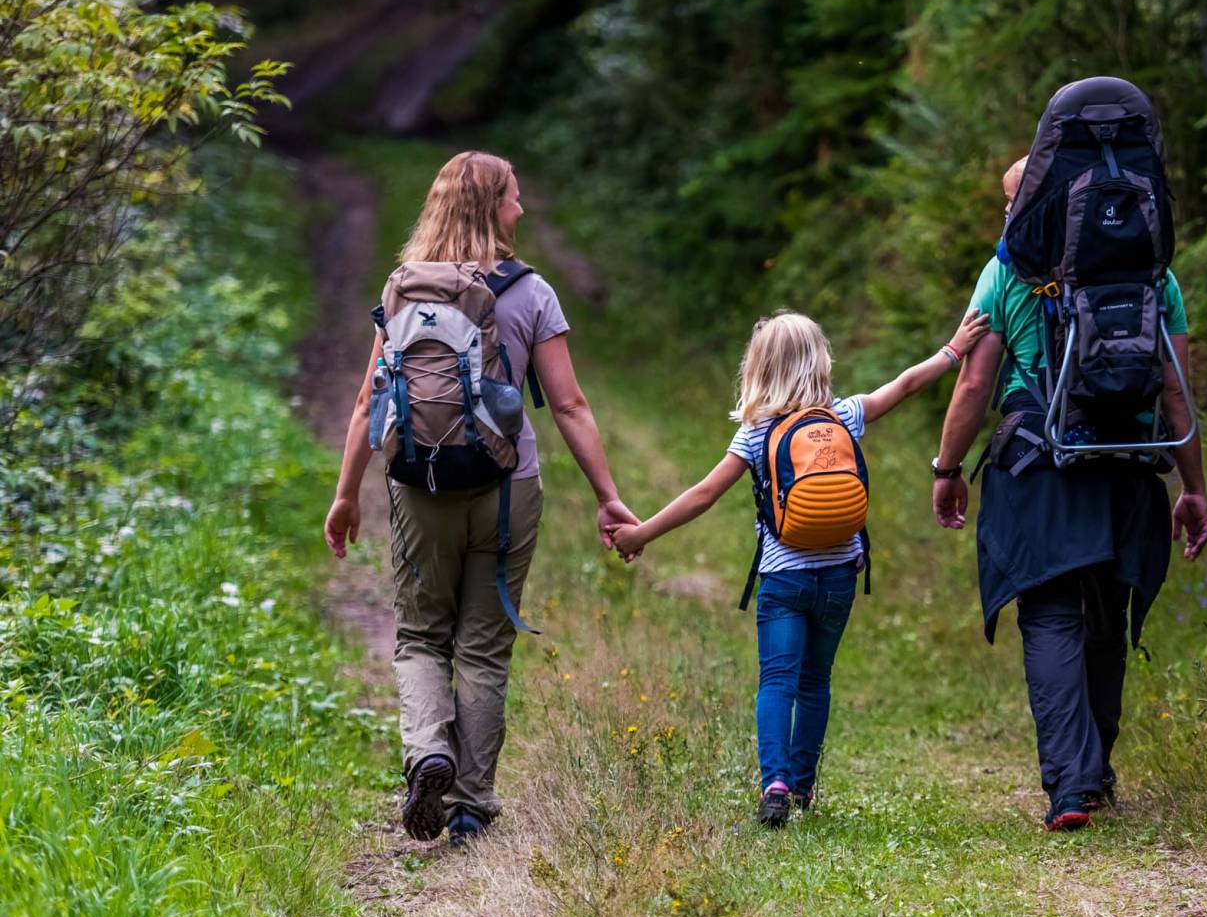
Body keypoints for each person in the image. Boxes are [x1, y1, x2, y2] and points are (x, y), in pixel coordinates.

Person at [323, 151, 639, 846]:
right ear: (492, 207)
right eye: (515, 198)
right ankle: (469, 803)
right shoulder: (529, 292)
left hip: (420, 485)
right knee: (485, 647)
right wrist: (608, 496)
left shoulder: (404, 288)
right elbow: (570, 405)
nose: (522, 210)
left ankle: (427, 751)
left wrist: (346, 494)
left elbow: (367, 399)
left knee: (420, 636)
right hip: (506, 489)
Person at [611, 309, 988, 826]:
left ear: (760, 369)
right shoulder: (845, 416)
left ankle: (776, 782)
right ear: (820, 362)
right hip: (838, 577)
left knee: (777, 681)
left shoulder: (757, 433)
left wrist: (641, 533)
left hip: (783, 578)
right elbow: (903, 386)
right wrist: (953, 350)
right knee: (816, 681)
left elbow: (702, 495)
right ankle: (805, 787)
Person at [931, 154, 1207, 831]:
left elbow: (973, 385)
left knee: (1053, 615)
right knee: (1106, 619)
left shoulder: (1007, 271)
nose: (1007, 214)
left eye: (1011, 202)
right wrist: (1193, 485)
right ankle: (1096, 771)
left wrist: (947, 467)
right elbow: (1175, 388)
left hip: (1038, 468)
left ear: (1030, 206)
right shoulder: (1152, 274)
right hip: (1126, 465)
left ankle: (1073, 786)